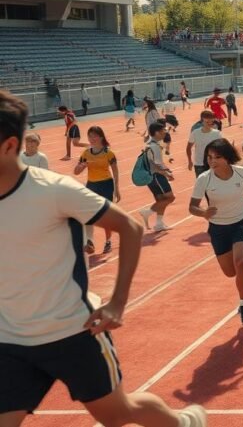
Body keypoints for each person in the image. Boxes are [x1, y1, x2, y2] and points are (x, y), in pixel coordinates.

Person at [0, 91, 209, 427]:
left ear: (10, 145)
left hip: (71, 332)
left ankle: (184, 423)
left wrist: (117, 303)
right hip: (10, 339)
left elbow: (129, 226)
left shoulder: (52, 191)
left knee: (117, 414)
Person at [190, 139, 243, 327]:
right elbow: (192, 207)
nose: (212, 161)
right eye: (209, 157)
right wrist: (203, 213)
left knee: (239, 261)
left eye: (217, 157)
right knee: (230, 272)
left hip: (241, 222)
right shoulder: (204, 179)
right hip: (218, 228)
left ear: (227, 158)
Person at [73, 126, 120, 255]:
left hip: (106, 185)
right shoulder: (86, 153)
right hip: (91, 185)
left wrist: (117, 189)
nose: (92, 139)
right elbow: (76, 172)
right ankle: (90, 241)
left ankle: (108, 241)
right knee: (88, 214)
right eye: (89, 136)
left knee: (105, 216)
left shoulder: (109, 153)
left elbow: (115, 171)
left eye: (95, 136)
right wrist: (81, 166)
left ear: (101, 137)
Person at [139, 122, 175, 233]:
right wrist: (167, 173)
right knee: (170, 198)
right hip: (156, 176)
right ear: (156, 132)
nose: (165, 132)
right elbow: (157, 164)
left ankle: (159, 224)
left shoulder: (149, 144)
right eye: (163, 130)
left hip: (150, 176)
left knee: (161, 200)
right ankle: (148, 212)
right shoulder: (154, 146)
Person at [186, 111, 223, 178]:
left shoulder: (217, 133)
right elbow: (188, 147)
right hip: (199, 164)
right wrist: (190, 161)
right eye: (207, 122)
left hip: (213, 163)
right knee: (202, 185)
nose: (210, 123)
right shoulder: (195, 133)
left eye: (211, 121)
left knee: (215, 185)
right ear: (202, 121)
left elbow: (221, 148)